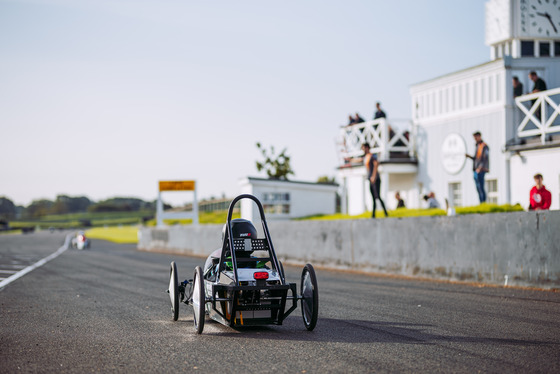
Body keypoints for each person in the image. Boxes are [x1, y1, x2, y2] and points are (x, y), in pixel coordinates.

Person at [362, 143, 388, 218]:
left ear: (367, 148)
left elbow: (376, 164)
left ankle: (385, 213)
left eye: (364, 148)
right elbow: (359, 160)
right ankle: (373, 215)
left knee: (378, 196)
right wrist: (350, 160)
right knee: (373, 197)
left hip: (375, 179)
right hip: (370, 179)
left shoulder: (372, 156)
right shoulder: (365, 157)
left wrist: (373, 176)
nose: (363, 150)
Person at [466, 131, 489, 203]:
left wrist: (480, 168)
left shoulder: (484, 146)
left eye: (476, 137)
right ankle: (481, 202)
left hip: (481, 170)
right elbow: (476, 159)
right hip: (476, 170)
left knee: (481, 187)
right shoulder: (477, 146)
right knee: (478, 188)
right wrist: (469, 156)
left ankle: (483, 202)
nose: (475, 139)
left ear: (479, 136)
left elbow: (485, 158)